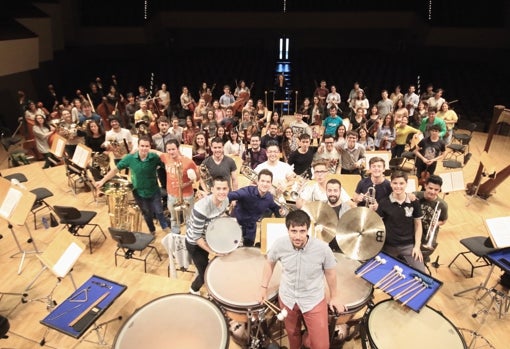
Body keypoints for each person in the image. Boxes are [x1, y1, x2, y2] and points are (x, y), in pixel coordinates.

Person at [260, 210, 344, 349]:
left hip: (313, 300)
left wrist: (334, 296)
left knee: (321, 345)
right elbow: (269, 263)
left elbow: (330, 273)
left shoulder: (323, 249)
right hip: (288, 299)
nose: (298, 236)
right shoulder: (280, 244)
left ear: (308, 229)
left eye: (302, 231)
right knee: (293, 336)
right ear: (288, 230)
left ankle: (307, 339)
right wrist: (263, 287)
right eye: (293, 231)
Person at [95, 136, 170, 235]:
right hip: (138, 192)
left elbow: (168, 162)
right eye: (142, 146)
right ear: (138, 146)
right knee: (147, 213)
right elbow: (115, 170)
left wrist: (156, 152)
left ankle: (165, 228)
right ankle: (152, 231)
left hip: (154, 190)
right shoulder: (130, 158)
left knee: (159, 211)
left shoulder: (154, 157)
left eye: (146, 146)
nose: (144, 148)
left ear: (150, 147)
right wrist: (103, 180)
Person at [186, 176, 230, 295]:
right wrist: (213, 251)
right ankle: (193, 290)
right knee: (205, 272)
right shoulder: (201, 208)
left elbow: (221, 214)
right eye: (218, 188)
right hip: (195, 244)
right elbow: (197, 237)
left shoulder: (225, 200)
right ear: (212, 189)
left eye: (224, 188)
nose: (222, 192)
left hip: (209, 237)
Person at [376, 171, 425, 273]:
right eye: (395, 183)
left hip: (408, 246)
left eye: (401, 183)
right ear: (391, 184)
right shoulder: (384, 202)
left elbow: (418, 225)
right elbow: (378, 225)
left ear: (406, 184)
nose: (398, 186)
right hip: (388, 246)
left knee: (422, 275)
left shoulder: (414, 202)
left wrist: (417, 247)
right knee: (381, 275)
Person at [228, 169, 282, 247]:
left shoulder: (269, 197)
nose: (265, 184)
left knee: (248, 252)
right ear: (257, 182)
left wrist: (280, 211)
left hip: (251, 229)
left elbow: (275, 208)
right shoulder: (247, 192)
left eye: (268, 182)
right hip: (236, 225)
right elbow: (229, 196)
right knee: (232, 252)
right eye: (262, 181)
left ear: (271, 184)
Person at [157, 139, 199, 235]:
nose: (171, 152)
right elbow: (155, 152)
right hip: (172, 194)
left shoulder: (188, 162)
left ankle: (190, 235)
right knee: (173, 217)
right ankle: (175, 235)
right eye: (169, 150)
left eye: (173, 149)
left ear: (178, 148)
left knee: (189, 217)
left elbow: (197, 177)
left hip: (187, 195)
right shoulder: (166, 157)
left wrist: (185, 184)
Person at [414, 175, 448, 255]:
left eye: (436, 189)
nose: (433, 192)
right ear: (425, 186)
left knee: (423, 254)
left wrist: (437, 223)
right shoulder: (416, 195)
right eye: (430, 188)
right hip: (413, 228)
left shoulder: (442, 205)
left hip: (427, 232)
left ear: (440, 189)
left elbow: (443, 220)